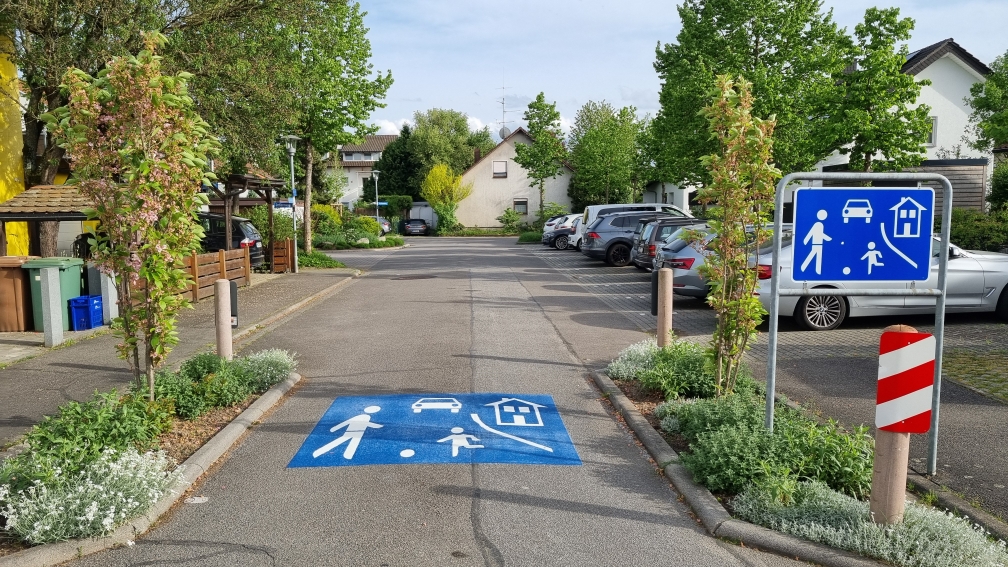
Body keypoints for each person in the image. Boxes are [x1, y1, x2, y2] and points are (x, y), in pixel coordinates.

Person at [313, 405, 383, 459]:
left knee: (353, 442)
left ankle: (348, 454)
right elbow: (348, 422)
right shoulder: (363, 416)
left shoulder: (365, 417)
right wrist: (335, 428)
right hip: (353, 432)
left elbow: (367, 424)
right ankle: (319, 452)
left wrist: (334, 428)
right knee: (342, 440)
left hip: (358, 432)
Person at [801, 209, 832, 275]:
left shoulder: (820, 224)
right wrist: (828, 238)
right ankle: (803, 267)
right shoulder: (818, 224)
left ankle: (818, 271)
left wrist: (806, 240)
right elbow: (813, 233)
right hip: (816, 244)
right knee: (812, 255)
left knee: (818, 257)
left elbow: (815, 233)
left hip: (820, 244)